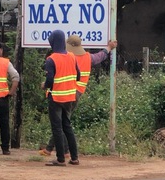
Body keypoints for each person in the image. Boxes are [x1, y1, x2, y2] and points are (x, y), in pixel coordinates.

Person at [39, 35, 118, 158]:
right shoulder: (88, 58)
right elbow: (100, 56)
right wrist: (109, 47)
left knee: (60, 124)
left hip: (66, 91)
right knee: (64, 123)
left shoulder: (68, 57)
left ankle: (56, 151)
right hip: (78, 93)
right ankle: (61, 151)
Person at [43, 29, 80, 166]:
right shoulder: (72, 56)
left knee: (57, 128)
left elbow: (50, 80)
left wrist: (44, 86)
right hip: (69, 97)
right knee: (67, 126)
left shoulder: (51, 59)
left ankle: (60, 159)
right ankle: (74, 158)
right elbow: (78, 76)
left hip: (56, 98)